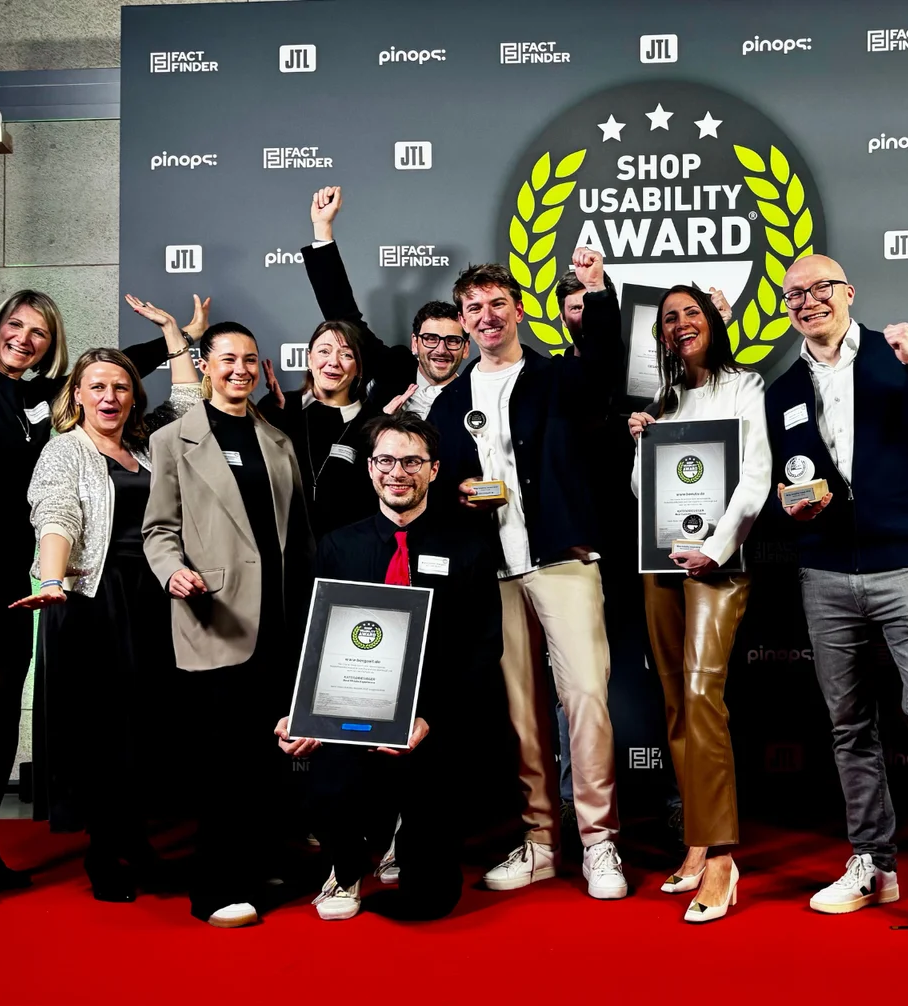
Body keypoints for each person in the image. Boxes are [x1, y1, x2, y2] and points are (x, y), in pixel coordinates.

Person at [0, 124, 190, 921]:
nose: (23, 339)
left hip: (4, 578)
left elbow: (103, 377)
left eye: (38, 335)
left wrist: (166, 345)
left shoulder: (43, 409)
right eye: (15, 327)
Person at [763, 254, 908, 947]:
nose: (809, 301)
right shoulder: (781, 390)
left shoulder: (902, 357)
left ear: (848, 293)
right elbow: (782, 485)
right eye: (795, 293)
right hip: (825, 573)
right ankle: (873, 862)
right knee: (849, 722)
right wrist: (791, 509)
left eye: (821, 289)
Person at [427, 249, 628, 899]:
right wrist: (459, 495)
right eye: (473, 308)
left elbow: (603, 364)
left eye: (497, 304)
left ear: (517, 310)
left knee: (587, 700)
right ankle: (541, 840)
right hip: (492, 572)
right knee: (523, 714)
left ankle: (600, 842)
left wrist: (596, 294)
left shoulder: (558, 377)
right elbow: (439, 486)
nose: (486, 316)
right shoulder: (448, 401)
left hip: (562, 559)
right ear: (462, 320)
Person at [275, 412, 504, 922]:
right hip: (354, 711)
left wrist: (429, 719)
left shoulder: (468, 548)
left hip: (432, 719)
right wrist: (301, 710)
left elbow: (482, 649)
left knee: (430, 903)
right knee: (325, 780)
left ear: (434, 470)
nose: (396, 472)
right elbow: (313, 638)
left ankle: (408, 840)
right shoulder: (338, 546)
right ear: (370, 468)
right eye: (384, 460)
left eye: (411, 461)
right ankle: (347, 862)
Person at [14, 301, 204, 901]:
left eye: (121, 386)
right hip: (93, 600)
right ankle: (103, 852)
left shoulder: (148, 448)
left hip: (151, 596)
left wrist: (176, 337)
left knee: (145, 724)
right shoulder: (65, 450)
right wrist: (50, 580)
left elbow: (190, 407)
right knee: (101, 730)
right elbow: (56, 513)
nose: (110, 395)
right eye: (97, 386)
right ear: (78, 394)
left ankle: (135, 841)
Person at [143, 322, 314, 928]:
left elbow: (295, 532)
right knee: (222, 761)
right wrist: (171, 573)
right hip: (215, 615)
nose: (240, 369)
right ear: (205, 365)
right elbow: (159, 530)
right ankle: (215, 886)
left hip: (281, 620)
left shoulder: (277, 438)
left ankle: (262, 863)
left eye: (249, 359)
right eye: (227, 359)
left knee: (268, 756)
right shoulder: (171, 441)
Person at [625, 285, 771, 923]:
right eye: (668, 319)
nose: (681, 324)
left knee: (704, 694)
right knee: (675, 701)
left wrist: (714, 546)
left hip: (720, 562)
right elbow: (643, 491)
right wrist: (642, 442)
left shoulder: (746, 386)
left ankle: (722, 858)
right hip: (660, 563)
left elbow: (758, 475)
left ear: (713, 320)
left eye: (690, 313)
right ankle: (695, 841)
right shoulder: (662, 399)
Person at [299, 186, 470, 416]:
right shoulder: (394, 368)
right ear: (414, 343)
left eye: (452, 340)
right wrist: (322, 228)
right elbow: (343, 316)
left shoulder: (475, 393)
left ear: (466, 347)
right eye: (430, 339)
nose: (441, 349)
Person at [256, 319, 378, 537]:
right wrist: (276, 418)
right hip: (285, 547)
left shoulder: (373, 422)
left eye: (346, 355)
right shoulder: (279, 407)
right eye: (324, 351)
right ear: (309, 359)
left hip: (345, 548)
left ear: (359, 368)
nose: (333, 362)